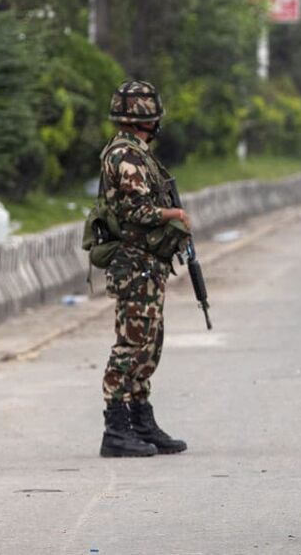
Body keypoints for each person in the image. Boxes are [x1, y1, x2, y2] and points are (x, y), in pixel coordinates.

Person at [97, 80, 190, 458]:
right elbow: (134, 211)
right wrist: (174, 214)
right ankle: (116, 428)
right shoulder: (126, 156)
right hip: (133, 263)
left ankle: (140, 419)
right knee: (132, 344)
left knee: (149, 344)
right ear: (148, 119)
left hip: (147, 263)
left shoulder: (138, 153)